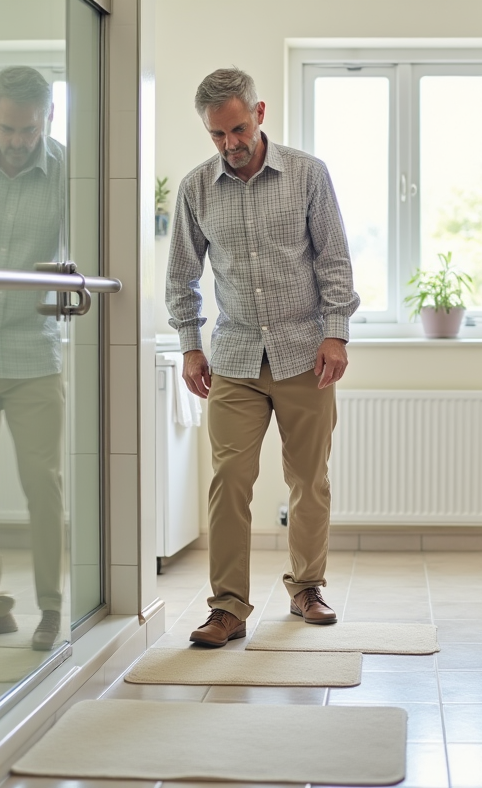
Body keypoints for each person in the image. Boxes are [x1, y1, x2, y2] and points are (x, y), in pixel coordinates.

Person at [165, 67, 360, 647]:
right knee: (229, 479)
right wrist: (190, 344)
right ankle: (227, 607)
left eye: (239, 129)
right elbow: (181, 276)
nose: (231, 144)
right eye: (218, 135)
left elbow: (334, 261)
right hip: (235, 356)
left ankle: (306, 588)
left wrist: (337, 333)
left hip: (307, 354)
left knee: (308, 478)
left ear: (261, 113)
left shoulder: (308, 174)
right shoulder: (196, 189)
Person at [0, 66, 68, 651]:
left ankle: (52, 607)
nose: (15, 141)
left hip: (35, 352)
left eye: (27, 130)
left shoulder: (67, 172)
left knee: (43, 483)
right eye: (6, 127)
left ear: (47, 120)